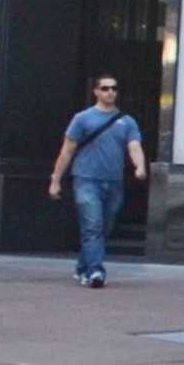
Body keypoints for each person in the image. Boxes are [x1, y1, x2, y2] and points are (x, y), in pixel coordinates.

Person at [46, 74, 142, 287]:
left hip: (114, 182)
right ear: (96, 92)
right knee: (93, 226)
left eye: (114, 88)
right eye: (105, 88)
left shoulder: (126, 121)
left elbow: (134, 146)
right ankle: (96, 271)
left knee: (103, 227)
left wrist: (140, 166)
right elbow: (67, 151)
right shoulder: (82, 119)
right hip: (86, 180)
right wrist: (56, 179)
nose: (110, 92)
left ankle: (83, 266)